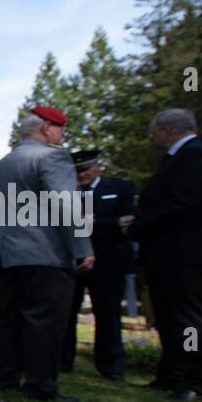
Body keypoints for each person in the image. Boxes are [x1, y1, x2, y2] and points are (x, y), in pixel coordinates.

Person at [0, 107, 95, 401]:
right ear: (46, 128)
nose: (61, 135)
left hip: (7, 255)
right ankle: (40, 385)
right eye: (59, 129)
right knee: (44, 321)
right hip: (44, 254)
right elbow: (66, 205)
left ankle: (4, 378)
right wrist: (82, 248)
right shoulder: (52, 157)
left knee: (8, 318)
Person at [120, 108, 202, 400]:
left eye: (154, 130)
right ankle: (172, 374)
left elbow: (181, 204)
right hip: (164, 250)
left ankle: (197, 380)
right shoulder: (177, 157)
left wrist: (137, 227)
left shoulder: (195, 154)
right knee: (166, 316)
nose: (151, 136)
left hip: (182, 249)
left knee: (188, 318)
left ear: (169, 129)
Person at [61, 150, 135, 380]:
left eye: (85, 170)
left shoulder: (119, 189)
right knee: (66, 314)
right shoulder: (67, 193)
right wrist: (109, 223)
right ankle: (63, 360)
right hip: (74, 261)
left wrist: (102, 223)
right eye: (77, 171)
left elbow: (129, 220)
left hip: (108, 261)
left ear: (97, 167)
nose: (81, 175)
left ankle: (110, 365)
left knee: (108, 314)